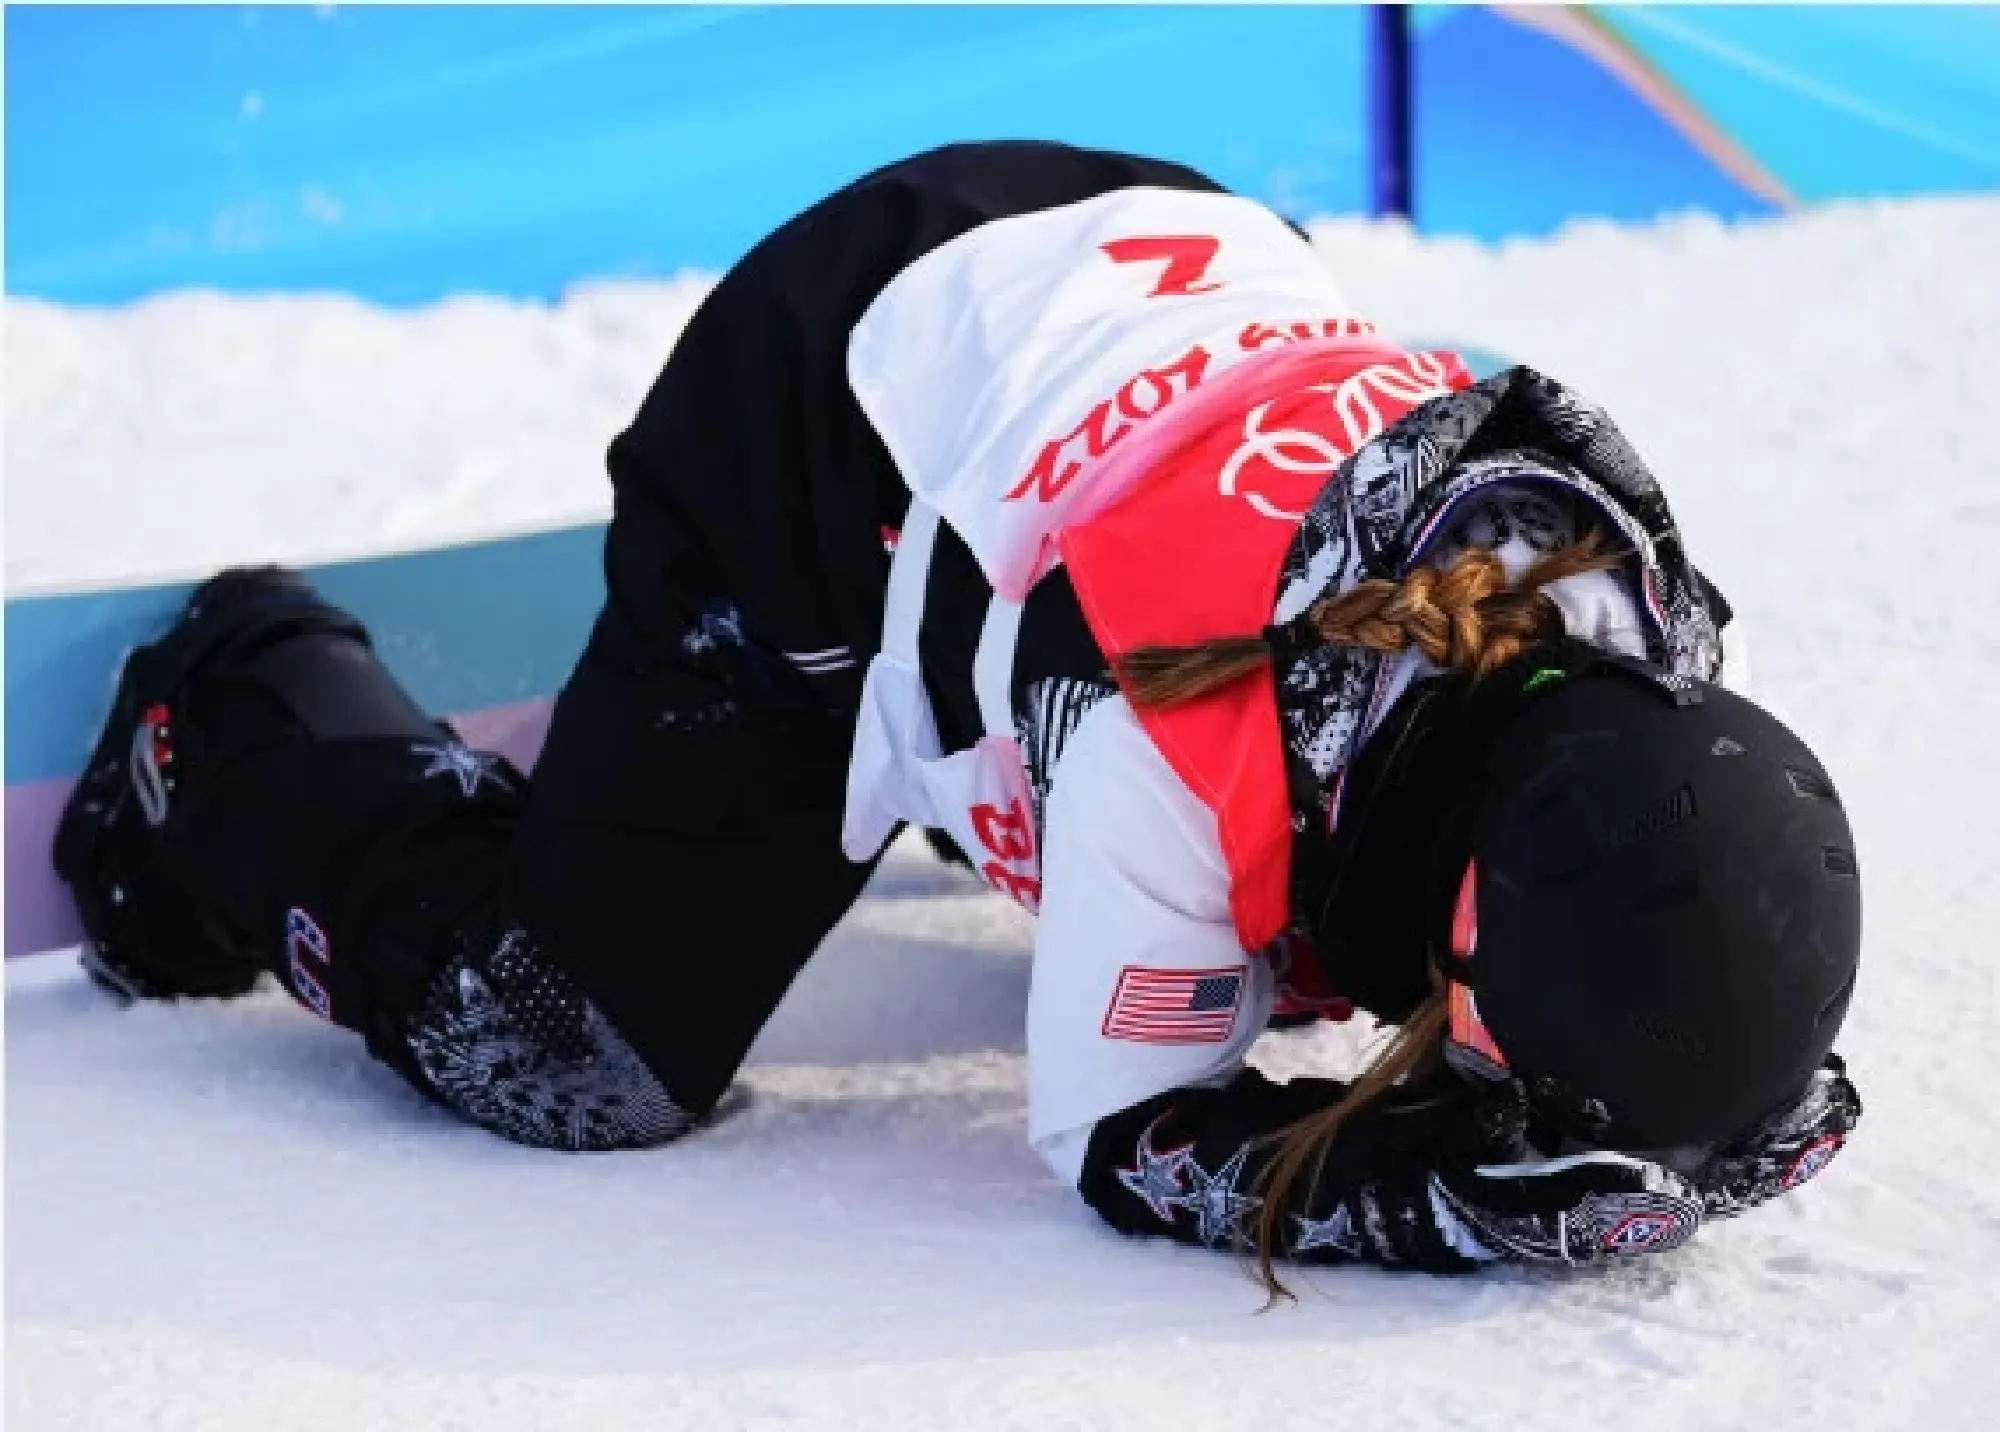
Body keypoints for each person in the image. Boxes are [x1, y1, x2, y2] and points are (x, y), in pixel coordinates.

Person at [55, 141, 1862, 1285]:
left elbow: (1705, 923)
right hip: (830, 408)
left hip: (1161, 255)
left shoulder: (1647, 647)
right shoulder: (1195, 749)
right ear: (1467, 959)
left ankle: (926, 710)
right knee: (568, 1048)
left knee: (1146, 836)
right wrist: (1427, 1200)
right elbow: (1123, 1137)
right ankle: (241, 712)